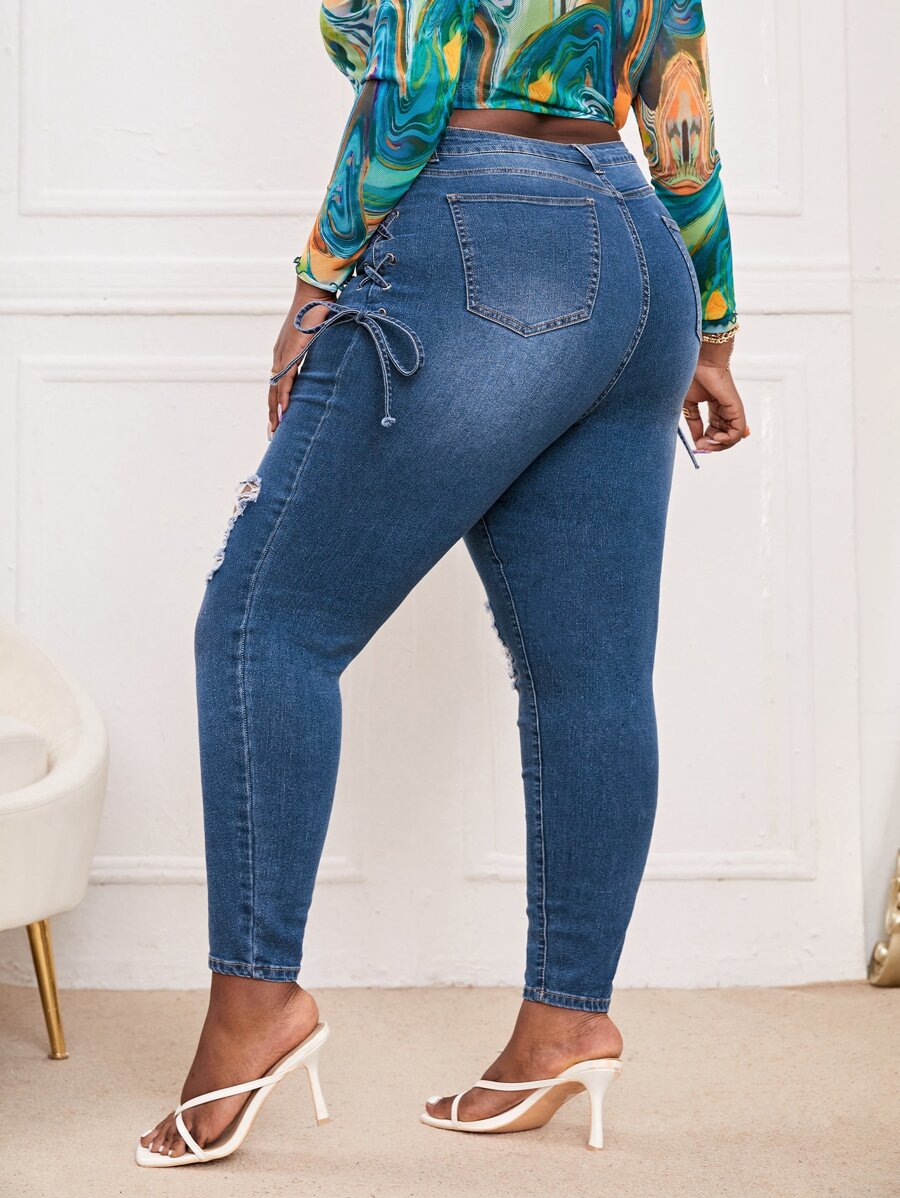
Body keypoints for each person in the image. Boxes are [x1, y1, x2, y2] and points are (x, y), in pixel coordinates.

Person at [137, 0, 748, 1166]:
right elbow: (680, 106)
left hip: (482, 235)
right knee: (590, 676)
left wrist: (316, 281)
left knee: (265, 621)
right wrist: (712, 325)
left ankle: (254, 1009)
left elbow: (415, 80)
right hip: (638, 255)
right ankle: (565, 1023)